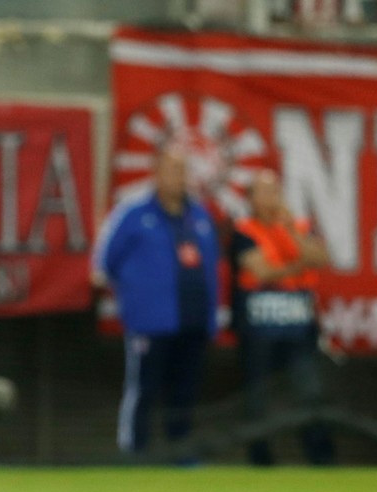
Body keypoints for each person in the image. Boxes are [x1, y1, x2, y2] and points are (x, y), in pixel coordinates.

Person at [94, 143, 219, 455]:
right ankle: (135, 450)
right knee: (145, 388)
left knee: (186, 391)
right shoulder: (134, 213)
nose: (178, 177)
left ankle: (180, 449)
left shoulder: (200, 216)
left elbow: (211, 267)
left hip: (192, 320)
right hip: (150, 321)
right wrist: (137, 296)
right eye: (171, 169)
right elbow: (103, 265)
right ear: (156, 173)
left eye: (182, 170)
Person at [230, 168, 334, 465]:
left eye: (275, 191)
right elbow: (261, 271)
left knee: (310, 393)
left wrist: (290, 232)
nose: (271, 198)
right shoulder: (244, 231)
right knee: (258, 397)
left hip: (299, 329)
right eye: (263, 192)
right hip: (259, 328)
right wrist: (298, 267)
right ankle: (260, 459)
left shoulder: (298, 225)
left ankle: (321, 457)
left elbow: (321, 258)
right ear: (250, 198)